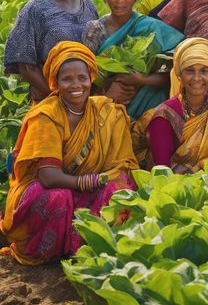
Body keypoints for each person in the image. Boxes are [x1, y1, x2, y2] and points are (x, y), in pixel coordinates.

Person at [0, 42, 138, 265]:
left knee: (120, 188)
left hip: (89, 185)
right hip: (47, 187)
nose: (76, 85)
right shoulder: (46, 115)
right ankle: (51, 252)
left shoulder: (106, 111)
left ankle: (90, 248)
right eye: (67, 79)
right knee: (58, 198)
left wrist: (107, 180)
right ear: (55, 82)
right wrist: (89, 181)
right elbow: (48, 176)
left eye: (82, 78)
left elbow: (122, 163)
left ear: (91, 78)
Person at [4, 0, 98, 102]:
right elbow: (25, 66)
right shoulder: (36, 8)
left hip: (84, 100)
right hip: (48, 100)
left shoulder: (89, 6)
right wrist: (57, 97)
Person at [82, 0, 184, 119]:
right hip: (106, 108)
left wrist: (142, 80)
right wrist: (109, 86)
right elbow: (83, 73)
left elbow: (173, 72)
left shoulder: (150, 28)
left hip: (149, 106)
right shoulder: (94, 30)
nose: (119, 0)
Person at [132, 38, 208, 173]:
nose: (196, 78)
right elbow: (163, 173)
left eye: (204, 71)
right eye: (189, 70)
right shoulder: (164, 116)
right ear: (179, 74)